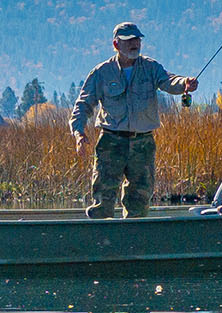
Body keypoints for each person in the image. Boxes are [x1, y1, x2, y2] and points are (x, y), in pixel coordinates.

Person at [69, 21, 197, 219]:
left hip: (143, 143)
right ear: (116, 44)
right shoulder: (102, 72)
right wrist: (79, 133)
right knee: (103, 197)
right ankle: (100, 235)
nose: (134, 44)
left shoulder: (151, 67)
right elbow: (83, 105)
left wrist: (185, 83)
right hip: (111, 142)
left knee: (139, 198)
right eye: (128, 40)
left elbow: (170, 81)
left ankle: (134, 235)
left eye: (137, 39)